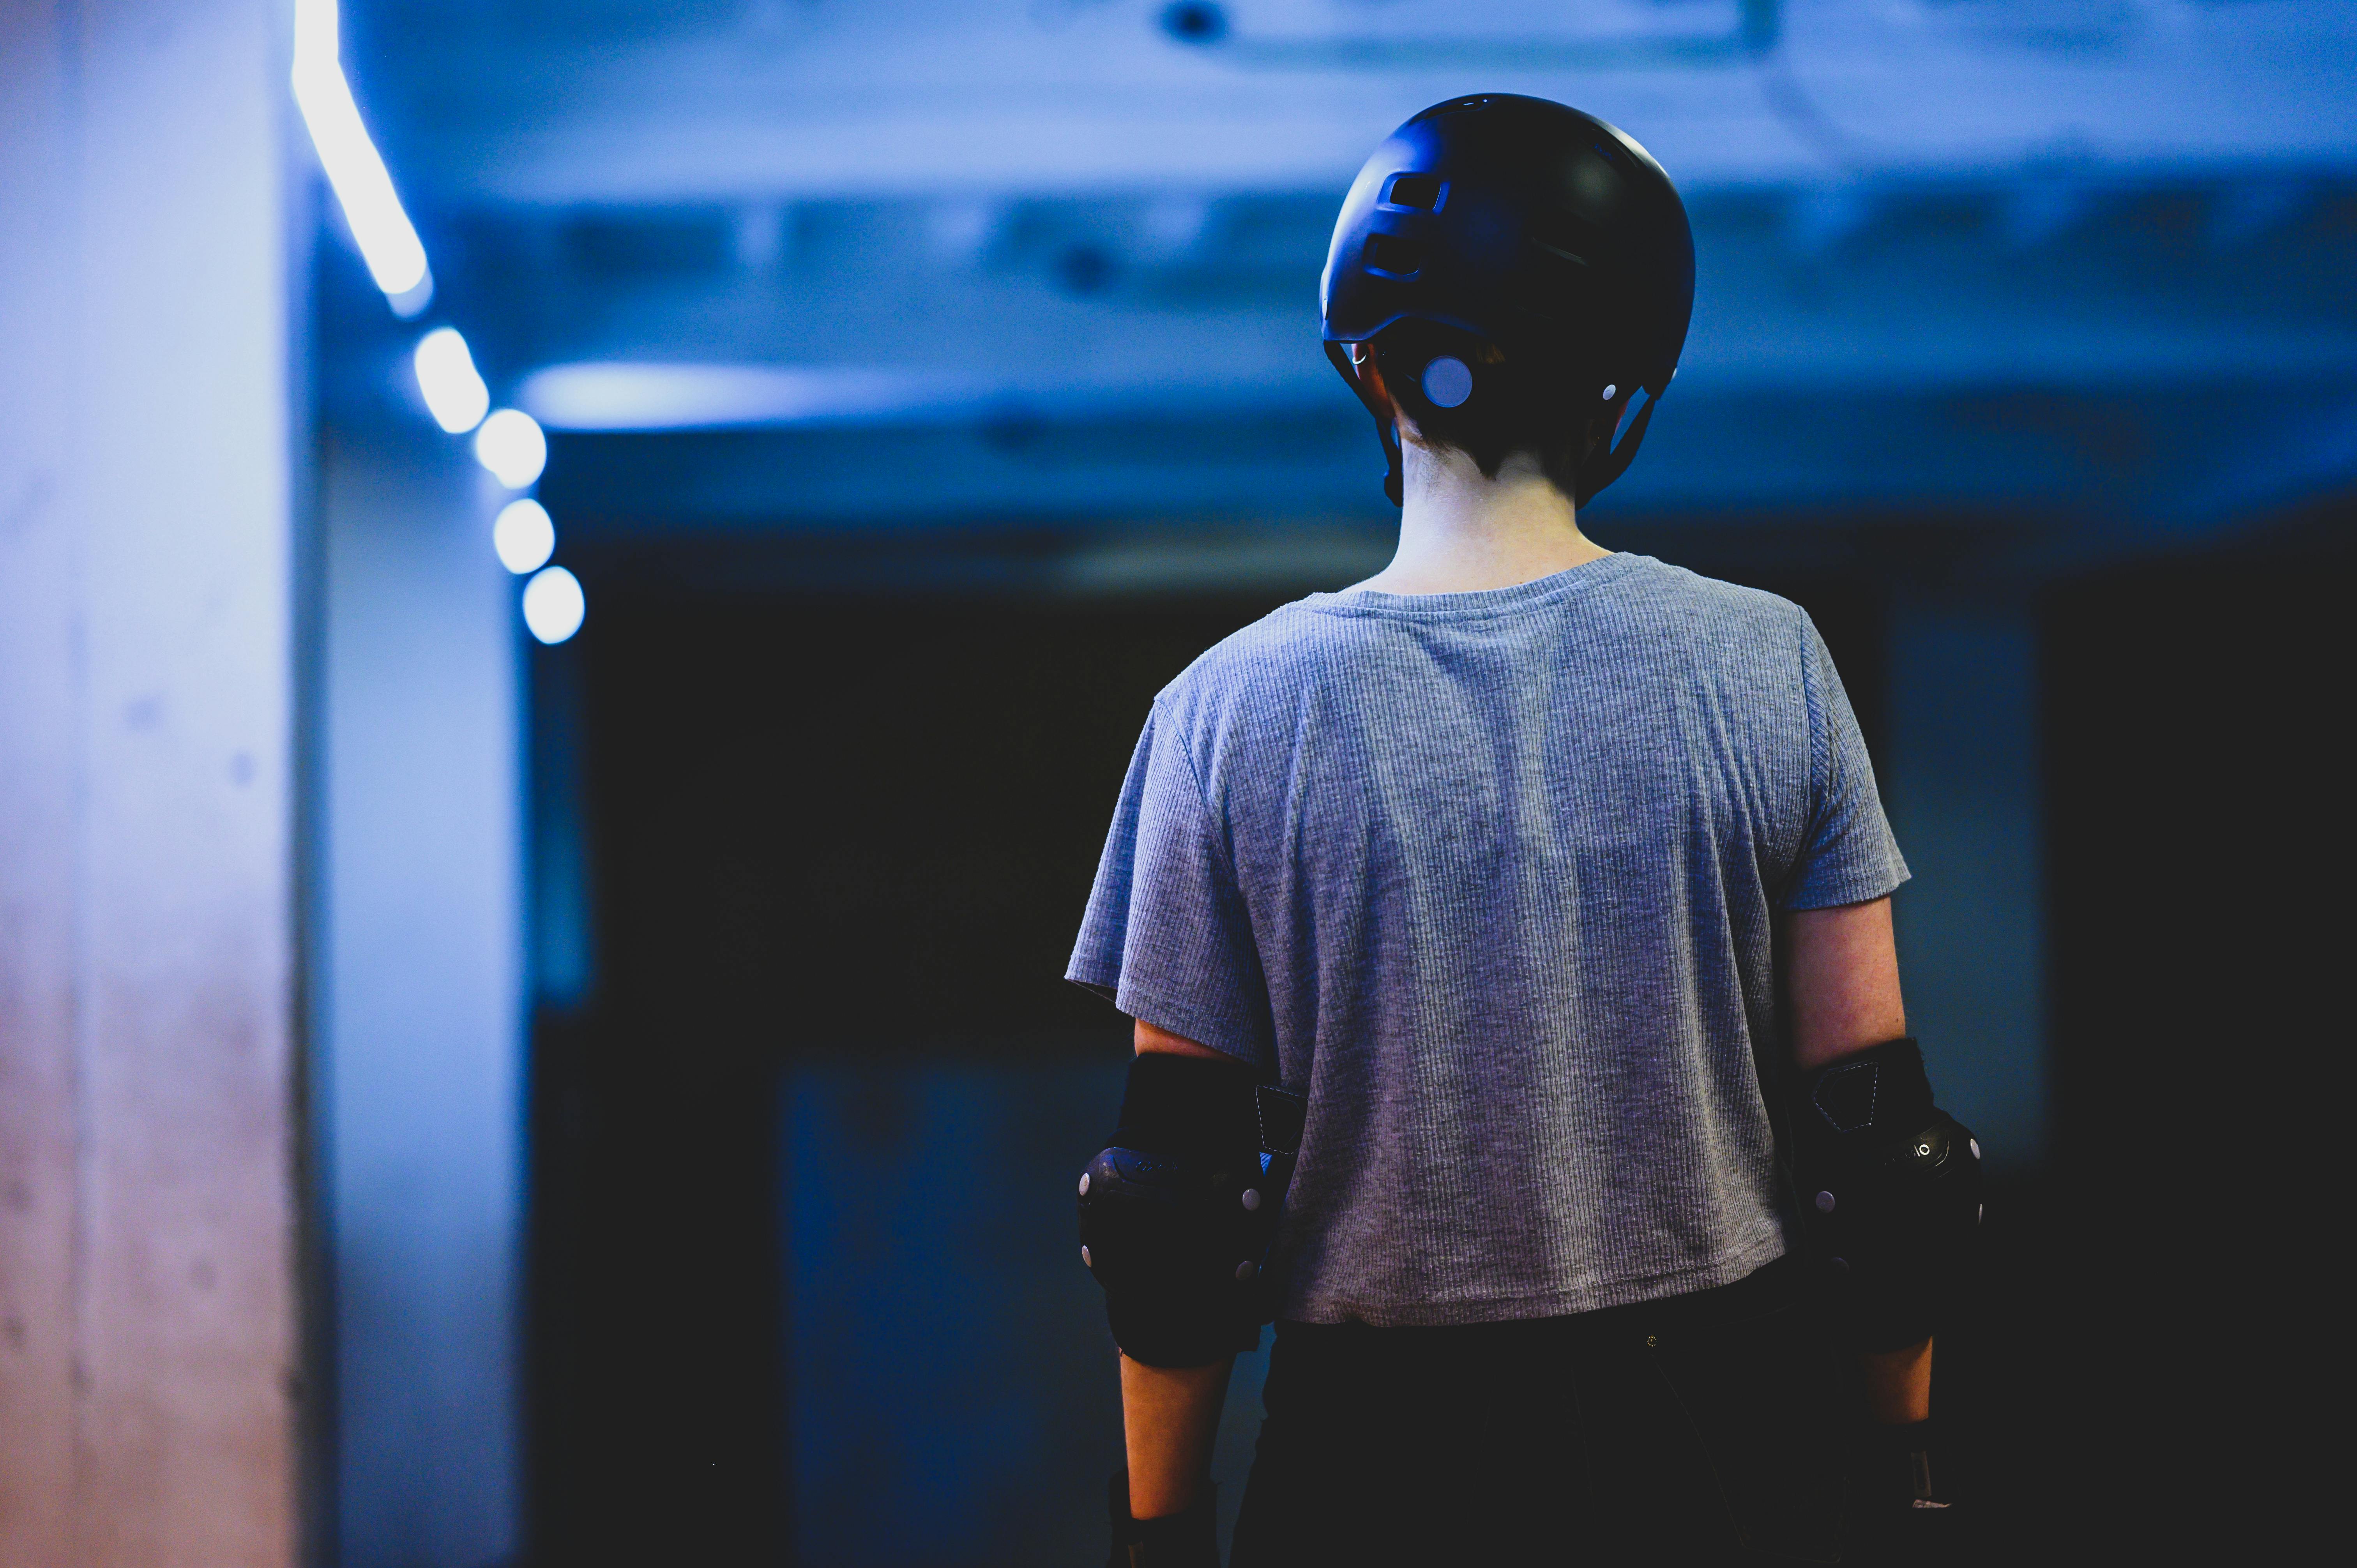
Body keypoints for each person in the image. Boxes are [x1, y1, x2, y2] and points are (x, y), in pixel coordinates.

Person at [1071, 95, 1980, 1566]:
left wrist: (1159, 1540)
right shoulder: (1769, 664)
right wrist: (1903, 1481)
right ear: (1620, 372)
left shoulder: (1221, 714)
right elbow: (1880, 1156)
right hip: (1718, 1440)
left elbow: (1170, 1208)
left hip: (1371, 1455)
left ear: (1367, 357)